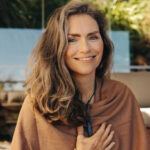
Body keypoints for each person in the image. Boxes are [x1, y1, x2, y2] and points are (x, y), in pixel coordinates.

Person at [11, 1, 148, 150]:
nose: (85, 48)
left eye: (93, 37)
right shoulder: (37, 104)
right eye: (72, 40)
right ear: (56, 47)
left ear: (104, 43)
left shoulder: (121, 97)